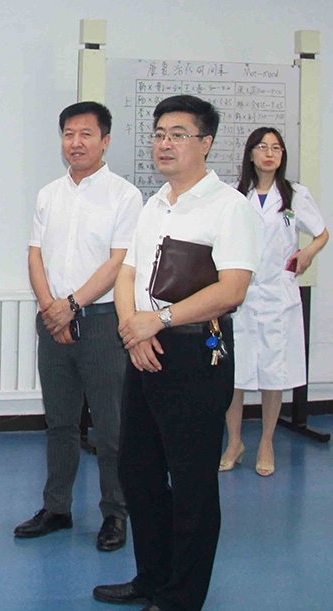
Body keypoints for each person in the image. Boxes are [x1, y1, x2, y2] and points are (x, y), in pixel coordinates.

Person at [93, 95, 261, 611]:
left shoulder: (229, 207)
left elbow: (232, 289)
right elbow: (128, 273)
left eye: (178, 134)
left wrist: (160, 320)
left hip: (195, 354)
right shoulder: (154, 203)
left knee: (191, 484)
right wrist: (133, 328)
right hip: (144, 349)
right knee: (138, 473)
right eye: (160, 134)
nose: (165, 144)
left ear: (206, 143)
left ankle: (182, 598)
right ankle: (152, 578)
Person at [16, 101, 141, 551]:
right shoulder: (48, 194)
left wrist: (71, 305)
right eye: (69, 134)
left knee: (111, 427)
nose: (76, 142)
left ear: (105, 140)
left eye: (86, 134)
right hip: (53, 321)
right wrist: (52, 309)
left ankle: (115, 513)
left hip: (103, 323)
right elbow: (35, 254)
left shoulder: (125, 196)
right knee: (60, 423)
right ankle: (57, 508)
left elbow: (118, 262)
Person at [219, 127, 328, 477]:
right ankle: (235, 441)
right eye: (262, 147)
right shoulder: (235, 195)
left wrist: (307, 252)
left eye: (276, 148)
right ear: (250, 154)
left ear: (282, 156)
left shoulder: (295, 194)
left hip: (278, 294)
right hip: (241, 294)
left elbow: (322, 232)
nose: (269, 153)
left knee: (274, 371)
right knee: (235, 372)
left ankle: (266, 441)